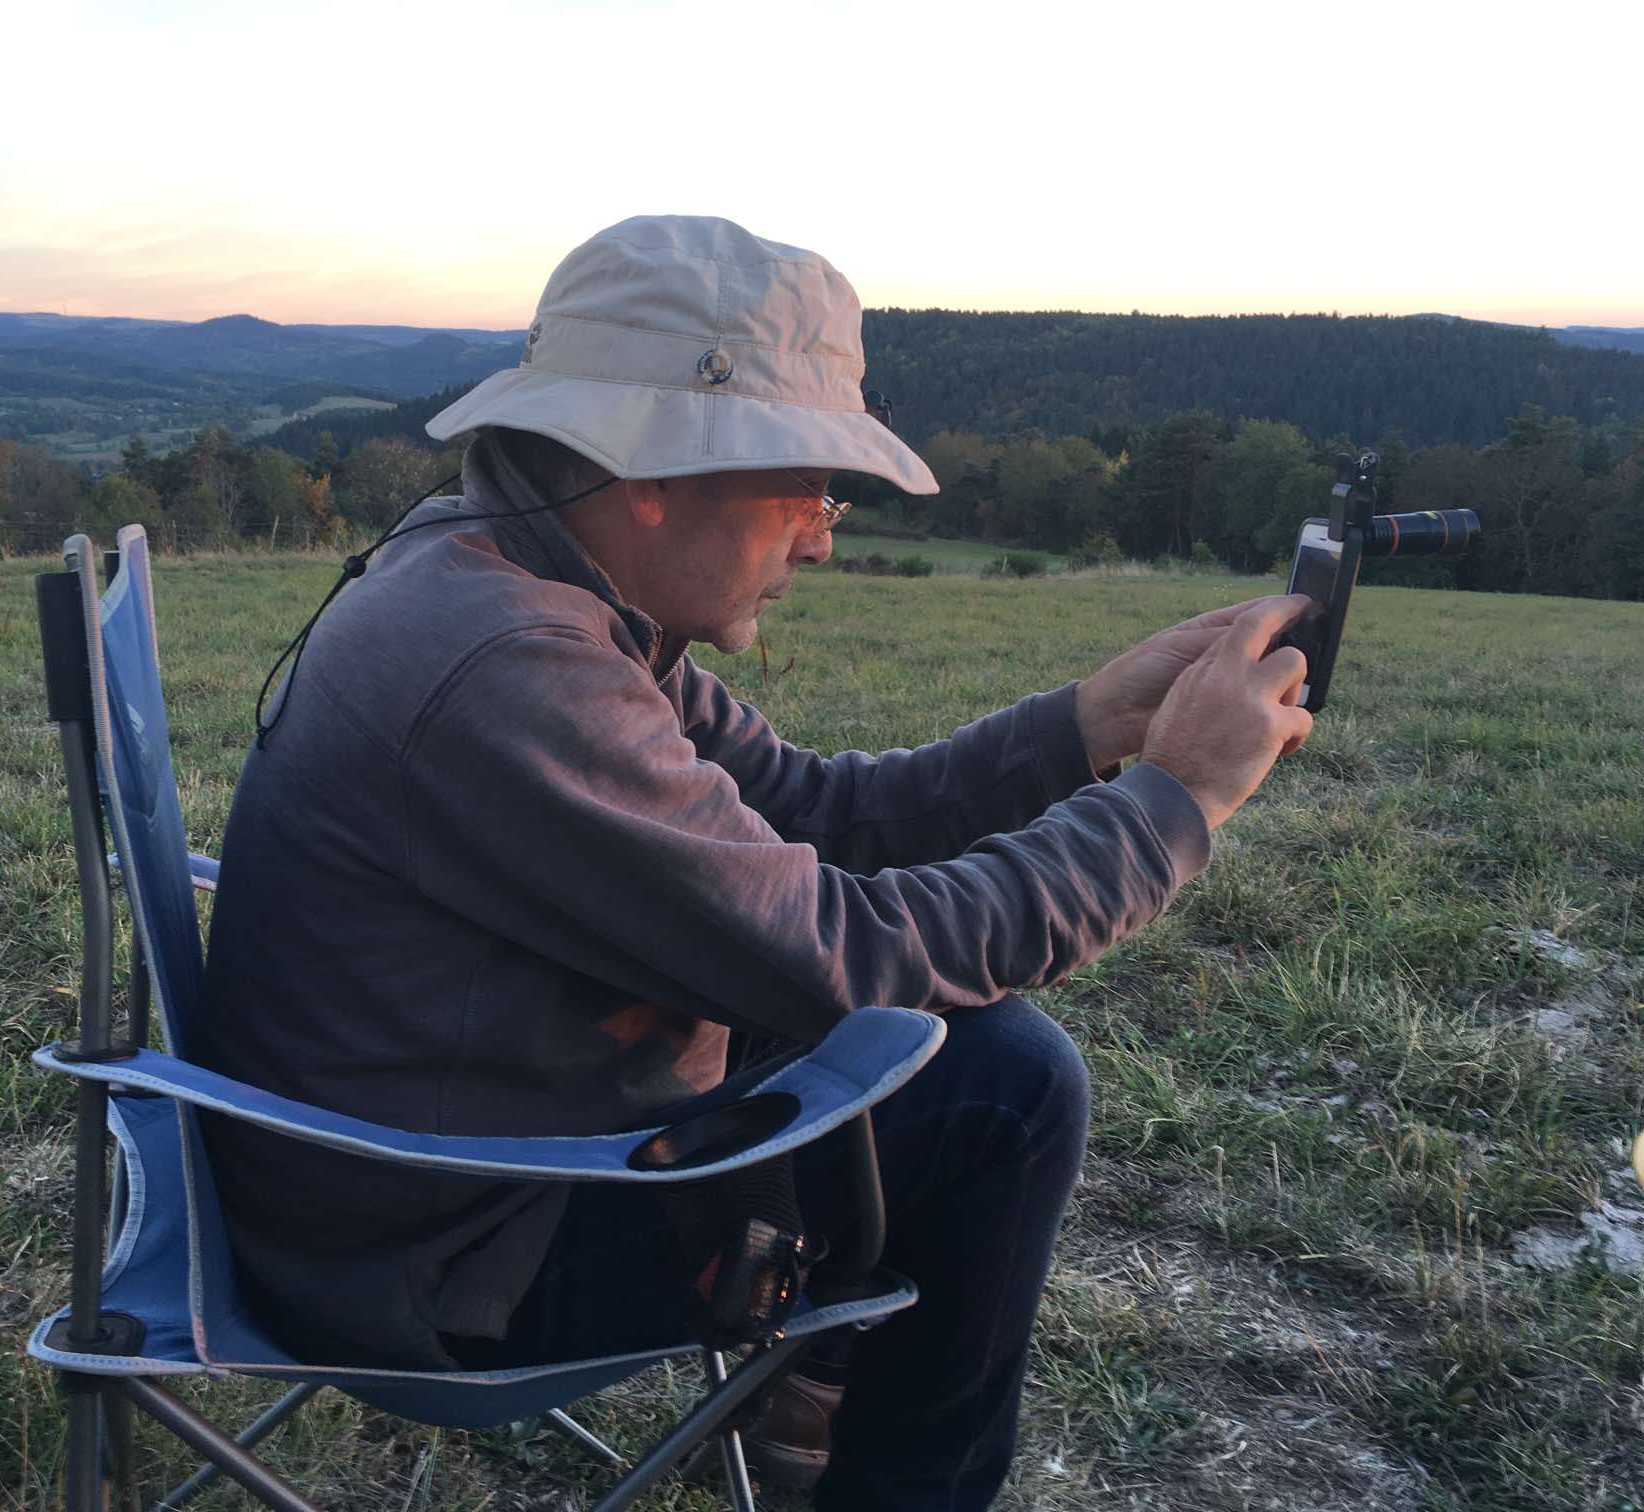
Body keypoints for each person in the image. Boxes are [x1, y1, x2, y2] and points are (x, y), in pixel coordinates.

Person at [199, 215, 1313, 1510]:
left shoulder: (524, 576)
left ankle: (814, 1390)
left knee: (945, 1066)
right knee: (1001, 1088)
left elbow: (818, 811)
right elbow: (851, 960)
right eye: (809, 485)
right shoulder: (514, 662)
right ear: (657, 466)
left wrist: (1085, 728)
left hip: (433, 1174)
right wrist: (1173, 803)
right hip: (447, 1256)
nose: (824, 537)